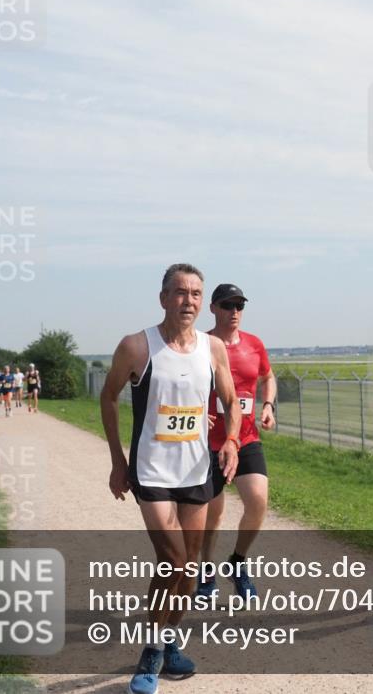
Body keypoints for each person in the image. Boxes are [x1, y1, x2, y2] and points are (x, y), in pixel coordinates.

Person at [100, 263, 241, 694]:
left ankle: (169, 639)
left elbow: (232, 401)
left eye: (196, 294)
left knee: (192, 572)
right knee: (174, 562)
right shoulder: (137, 346)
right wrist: (117, 461)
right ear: (163, 298)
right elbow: (108, 397)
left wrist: (232, 441)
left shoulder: (213, 348)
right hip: (153, 471)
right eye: (180, 293)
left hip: (197, 471)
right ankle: (151, 653)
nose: (189, 301)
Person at [196, 284, 277, 599]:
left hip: (245, 438)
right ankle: (206, 572)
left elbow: (267, 377)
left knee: (258, 501)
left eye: (239, 306)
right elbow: (184, 383)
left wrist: (268, 406)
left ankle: (238, 561)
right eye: (228, 305)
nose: (234, 312)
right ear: (213, 308)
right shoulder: (201, 345)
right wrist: (197, 412)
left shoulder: (254, 344)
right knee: (212, 513)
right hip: (208, 444)